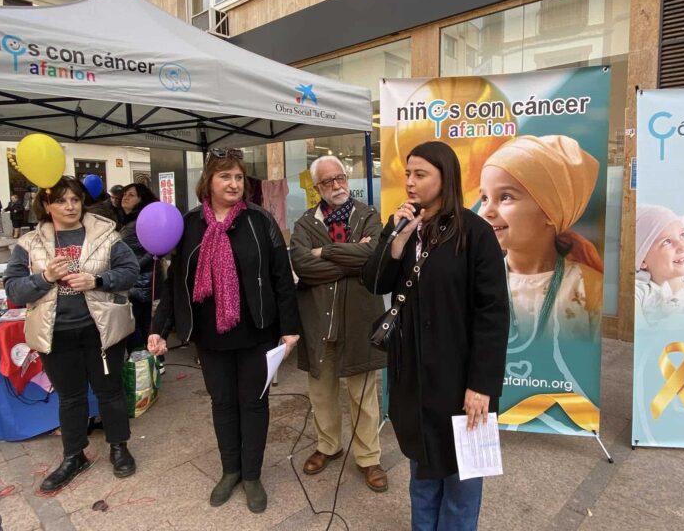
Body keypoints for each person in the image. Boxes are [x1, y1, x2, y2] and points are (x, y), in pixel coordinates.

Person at [362, 141, 509, 530]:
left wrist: (482, 384)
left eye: (420, 174)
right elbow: (374, 282)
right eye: (407, 174)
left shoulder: (476, 233)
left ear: (445, 177)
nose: (409, 182)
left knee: (462, 481)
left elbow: (493, 315)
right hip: (414, 377)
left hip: (461, 381)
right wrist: (394, 239)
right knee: (422, 475)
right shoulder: (405, 228)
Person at [147, 147, 299, 512]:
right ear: (209, 181)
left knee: (253, 402)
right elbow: (173, 284)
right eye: (224, 176)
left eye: (238, 177)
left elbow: (281, 278)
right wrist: (157, 327)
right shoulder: (190, 223)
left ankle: (252, 475)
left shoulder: (260, 221)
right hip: (209, 334)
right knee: (223, 403)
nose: (233, 183)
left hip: (256, 331)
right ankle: (230, 470)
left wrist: (290, 328)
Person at [3, 176, 140, 492]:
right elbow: (14, 289)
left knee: (110, 391)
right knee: (71, 397)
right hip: (56, 333)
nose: (70, 206)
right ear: (47, 205)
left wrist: (98, 281)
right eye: (62, 200)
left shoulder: (105, 234)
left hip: (101, 330)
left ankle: (119, 447)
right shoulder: (29, 243)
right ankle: (73, 455)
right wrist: (45, 277)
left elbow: (131, 271)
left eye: (75, 199)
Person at [290, 156, 388, 492]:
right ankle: (328, 446)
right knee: (321, 392)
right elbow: (303, 266)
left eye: (341, 177)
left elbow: (374, 255)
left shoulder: (368, 215)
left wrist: (324, 252)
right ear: (317, 188)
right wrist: (349, 257)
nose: (337, 185)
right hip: (319, 322)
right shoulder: (304, 224)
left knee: (363, 394)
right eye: (328, 181)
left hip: (359, 321)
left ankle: (368, 458)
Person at [478, 135, 603, 348]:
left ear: (549, 210)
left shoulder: (588, 286)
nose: (486, 211)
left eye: (505, 196)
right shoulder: (477, 281)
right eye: (484, 198)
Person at [118, 183, 162, 358]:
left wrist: (133, 268)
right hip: (137, 281)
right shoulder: (129, 220)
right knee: (143, 324)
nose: (125, 198)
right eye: (124, 194)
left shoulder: (141, 222)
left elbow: (155, 251)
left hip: (140, 281)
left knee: (134, 324)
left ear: (141, 199)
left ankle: (142, 361)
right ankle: (151, 361)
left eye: (131, 195)